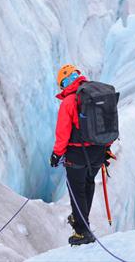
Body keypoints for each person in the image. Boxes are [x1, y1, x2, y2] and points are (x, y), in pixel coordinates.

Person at [50, 64, 114, 246]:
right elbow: (108, 124)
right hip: (98, 151)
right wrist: (106, 148)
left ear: (64, 84)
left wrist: (56, 154)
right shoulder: (95, 94)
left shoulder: (70, 101)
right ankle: (82, 221)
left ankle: (82, 231)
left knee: (76, 191)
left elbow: (62, 133)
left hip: (77, 153)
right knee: (87, 184)